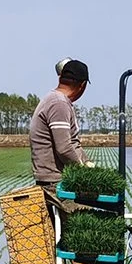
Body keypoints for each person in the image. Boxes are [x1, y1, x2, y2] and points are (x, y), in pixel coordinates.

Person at [29, 58, 94, 221]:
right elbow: (64, 148)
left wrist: (86, 163)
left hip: (56, 181)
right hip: (55, 183)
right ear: (82, 85)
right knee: (88, 223)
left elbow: (72, 143)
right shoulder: (59, 104)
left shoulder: (57, 100)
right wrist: (83, 171)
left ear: (60, 79)